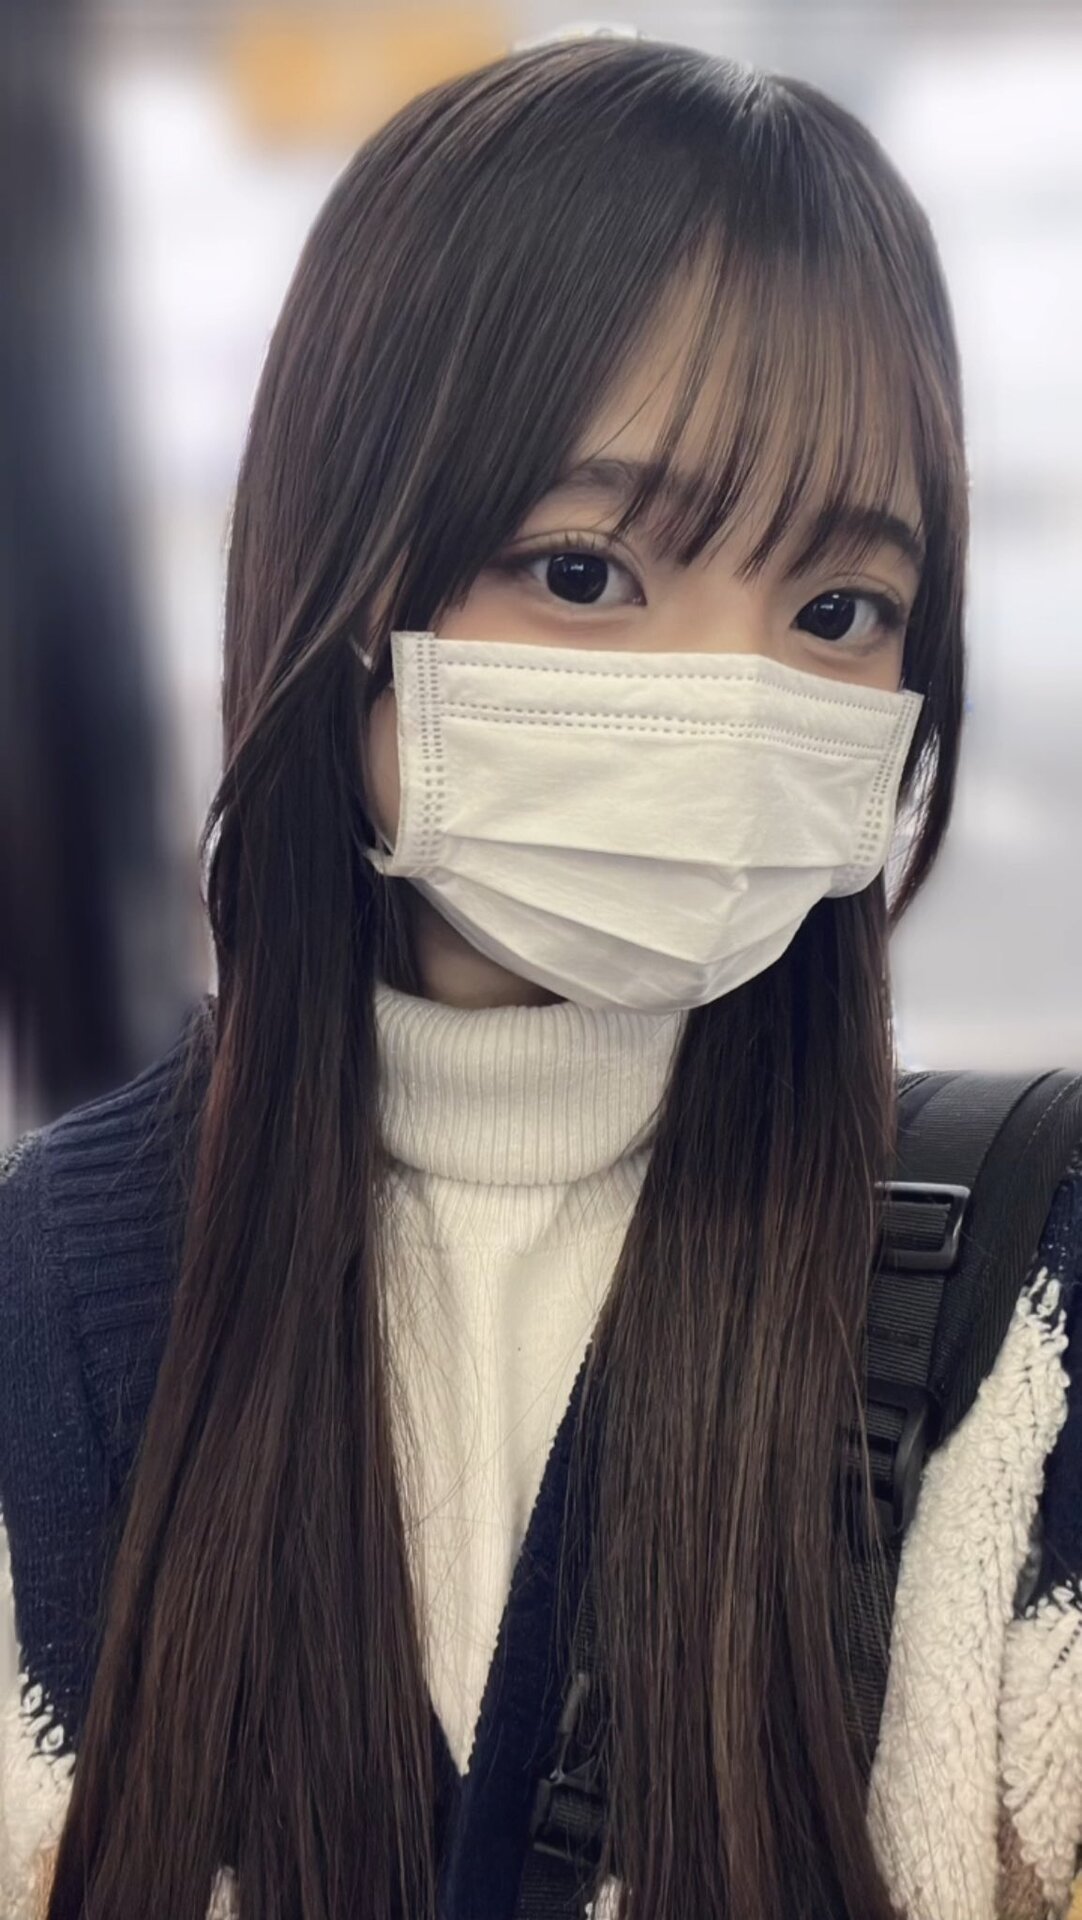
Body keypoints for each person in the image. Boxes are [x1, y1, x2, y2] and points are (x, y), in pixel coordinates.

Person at [0, 29, 1079, 1920]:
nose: (725, 697)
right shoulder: (54, 1304)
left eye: (838, 610)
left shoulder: (1026, 1289)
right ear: (347, 585)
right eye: (583, 572)